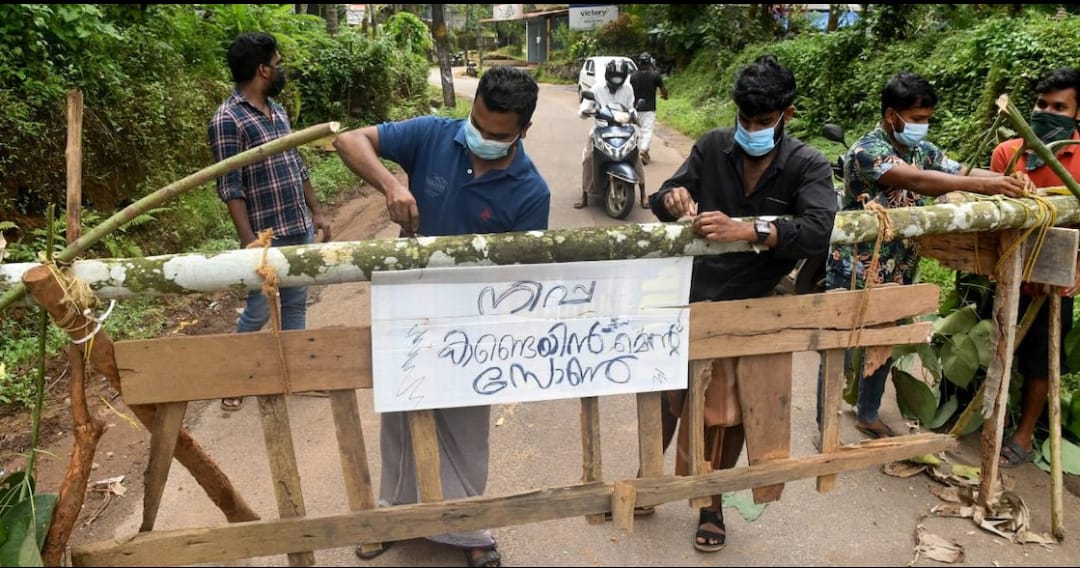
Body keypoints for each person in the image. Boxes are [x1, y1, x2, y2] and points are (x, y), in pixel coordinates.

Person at [333, 65, 549, 568]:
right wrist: (391, 185)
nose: (482, 139)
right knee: (400, 411)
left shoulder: (530, 191)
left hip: (474, 323)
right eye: (477, 123)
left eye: (497, 135)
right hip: (406, 306)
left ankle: (467, 526)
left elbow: (523, 279)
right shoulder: (433, 135)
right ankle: (393, 516)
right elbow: (348, 141)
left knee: (466, 422)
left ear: (523, 131)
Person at [647, 54, 838, 553]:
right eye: (745, 119)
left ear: (786, 115)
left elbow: (819, 230)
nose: (751, 129)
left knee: (727, 411)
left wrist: (750, 229)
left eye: (762, 121)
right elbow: (669, 191)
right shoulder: (713, 146)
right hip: (690, 293)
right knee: (669, 394)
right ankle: (649, 481)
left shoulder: (807, 164)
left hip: (752, 304)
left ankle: (711, 502)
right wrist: (671, 200)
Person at [816, 71, 1024, 439]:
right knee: (841, 341)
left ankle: (867, 412)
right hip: (856, 264)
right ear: (891, 116)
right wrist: (986, 184)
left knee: (884, 340)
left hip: (900, 262)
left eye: (927, 118)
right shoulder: (867, 151)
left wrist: (1004, 178)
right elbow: (916, 180)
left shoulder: (921, 149)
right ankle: (824, 416)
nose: (922, 126)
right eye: (916, 119)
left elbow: (957, 170)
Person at [208, 31, 332, 412]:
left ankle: (295, 375)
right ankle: (235, 376)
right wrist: (250, 242)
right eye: (278, 65)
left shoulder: (278, 111)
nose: (281, 71)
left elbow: (296, 162)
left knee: (296, 302)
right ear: (262, 70)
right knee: (259, 309)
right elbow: (230, 186)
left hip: (298, 223)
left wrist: (316, 211)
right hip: (266, 234)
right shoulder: (227, 120)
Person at [990, 67, 1080, 467]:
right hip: (1005, 269)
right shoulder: (1007, 154)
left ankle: (1024, 435)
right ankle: (989, 415)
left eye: (1059, 106)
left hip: (1055, 278)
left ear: (1077, 114)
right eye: (1042, 104)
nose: (1047, 111)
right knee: (996, 344)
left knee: (1043, 359)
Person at [574, 58, 646, 209]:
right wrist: (585, 111)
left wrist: (634, 116)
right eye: (614, 77)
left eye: (619, 78)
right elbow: (584, 107)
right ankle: (584, 195)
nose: (616, 81)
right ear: (607, 75)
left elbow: (631, 106)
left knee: (635, 156)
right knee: (588, 157)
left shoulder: (627, 88)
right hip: (601, 128)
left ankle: (644, 195)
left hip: (623, 127)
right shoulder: (597, 89)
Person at [629, 51, 669, 166]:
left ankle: (639, 151)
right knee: (647, 131)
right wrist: (665, 96)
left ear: (639, 62)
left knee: (637, 130)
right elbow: (663, 90)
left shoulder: (633, 75)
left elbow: (628, 91)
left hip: (635, 107)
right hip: (649, 108)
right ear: (650, 62)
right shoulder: (655, 75)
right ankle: (643, 150)